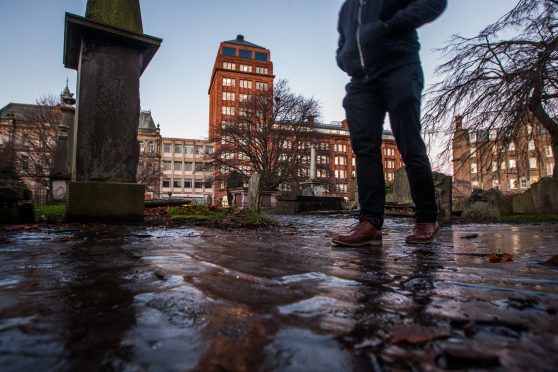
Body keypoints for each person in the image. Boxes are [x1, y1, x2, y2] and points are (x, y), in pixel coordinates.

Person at [332, 0, 447, 246]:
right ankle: (370, 223)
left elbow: (434, 3)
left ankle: (427, 218)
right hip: (361, 81)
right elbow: (343, 42)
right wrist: (345, 56)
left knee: (409, 145)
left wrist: (387, 26)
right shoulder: (347, 8)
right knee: (364, 149)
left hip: (400, 67)